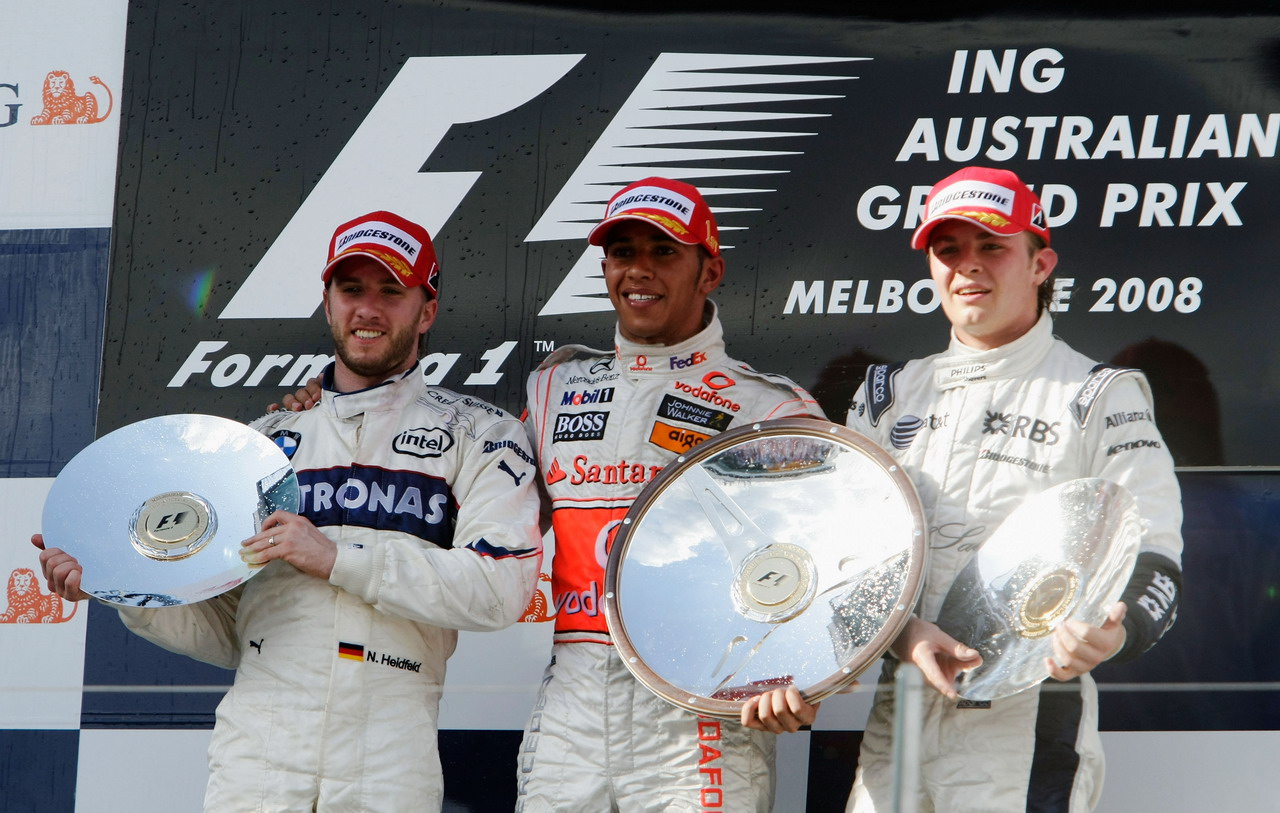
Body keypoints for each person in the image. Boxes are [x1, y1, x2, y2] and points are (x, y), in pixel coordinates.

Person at [33, 211, 543, 812]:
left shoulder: (480, 434)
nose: (368, 309)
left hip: (389, 747)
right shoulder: (259, 445)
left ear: (426, 311)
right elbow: (231, 631)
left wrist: (337, 559)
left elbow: (499, 591)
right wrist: (121, 584)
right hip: (258, 750)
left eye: (391, 291)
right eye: (351, 289)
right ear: (328, 304)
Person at [843, 167, 1184, 812]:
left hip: (1026, 726)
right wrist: (904, 634)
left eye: (992, 246)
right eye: (948, 249)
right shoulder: (888, 396)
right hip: (898, 715)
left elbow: (1155, 550)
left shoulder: (1099, 395)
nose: (967, 265)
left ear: (1039, 264)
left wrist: (1116, 632)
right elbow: (845, 553)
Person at [515, 177, 827, 811]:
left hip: (698, 712)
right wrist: (321, 405)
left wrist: (806, 675)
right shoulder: (554, 389)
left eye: (663, 252)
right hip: (573, 703)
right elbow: (478, 504)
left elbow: (831, 562)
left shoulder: (769, 409)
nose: (639, 270)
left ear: (709, 271)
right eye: (622, 252)